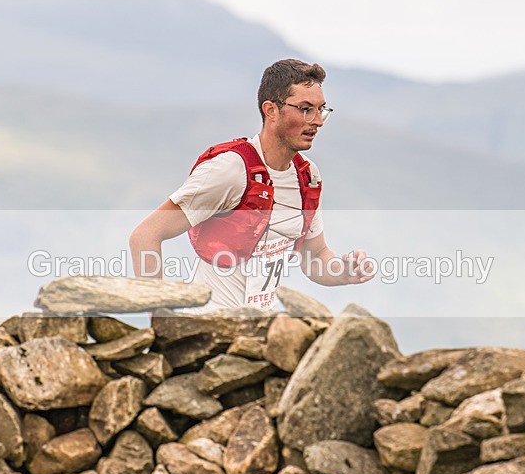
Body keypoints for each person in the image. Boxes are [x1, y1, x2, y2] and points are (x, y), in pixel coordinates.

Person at [129, 59, 373, 311]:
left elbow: (315, 257)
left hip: (256, 339)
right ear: (271, 110)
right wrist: (158, 320)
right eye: (304, 109)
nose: (317, 121)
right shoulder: (230, 169)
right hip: (205, 330)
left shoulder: (308, 176)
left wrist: (346, 272)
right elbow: (145, 236)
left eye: (321, 110)